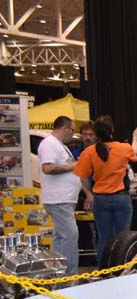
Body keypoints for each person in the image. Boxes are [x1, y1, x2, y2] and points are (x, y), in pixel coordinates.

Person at [74, 119, 137, 262]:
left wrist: (89, 193)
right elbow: (134, 152)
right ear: (112, 132)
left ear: (96, 133)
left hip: (100, 199)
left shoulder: (89, 151)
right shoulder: (123, 147)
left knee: (104, 238)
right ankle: (121, 269)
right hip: (121, 198)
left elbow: (82, 176)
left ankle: (103, 269)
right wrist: (135, 137)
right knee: (123, 238)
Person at [39, 116, 85, 273]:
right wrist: (72, 166)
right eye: (72, 130)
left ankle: (58, 272)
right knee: (70, 236)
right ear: (65, 129)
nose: (72, 134)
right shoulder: (50, 143)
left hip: (63, 199)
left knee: (60, 237)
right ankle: (69, 275)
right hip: (59, 199)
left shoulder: (58, 144)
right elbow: (48, 168)